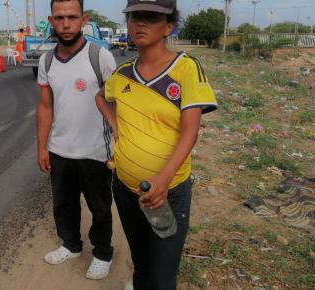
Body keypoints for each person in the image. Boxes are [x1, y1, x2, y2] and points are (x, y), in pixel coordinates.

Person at [95, 1, 218, 289]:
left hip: (168, 192)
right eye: (134, 17)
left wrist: (162, 180)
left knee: (162, 277)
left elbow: (190, 130)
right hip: (125, 189)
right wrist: (116, 128)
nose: (139, 23)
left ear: (169, 27)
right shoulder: (123, 72)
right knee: (141, 265)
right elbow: (101, 97)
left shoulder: (185, 68)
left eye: (151, 17)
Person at [36, 0, 117, 280]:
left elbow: (117, 102)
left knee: (100, 207)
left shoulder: (100, 56)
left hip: (96, 151)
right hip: (59, 150)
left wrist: (120, 141)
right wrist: (42, 147)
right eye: (60, 18)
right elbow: (45, 106)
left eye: (72, 17)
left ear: (84, 19)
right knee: (63, 204)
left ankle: (103, 252)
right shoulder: (46, 60)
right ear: (51, 20)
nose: (66, 24)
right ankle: (70, 245)